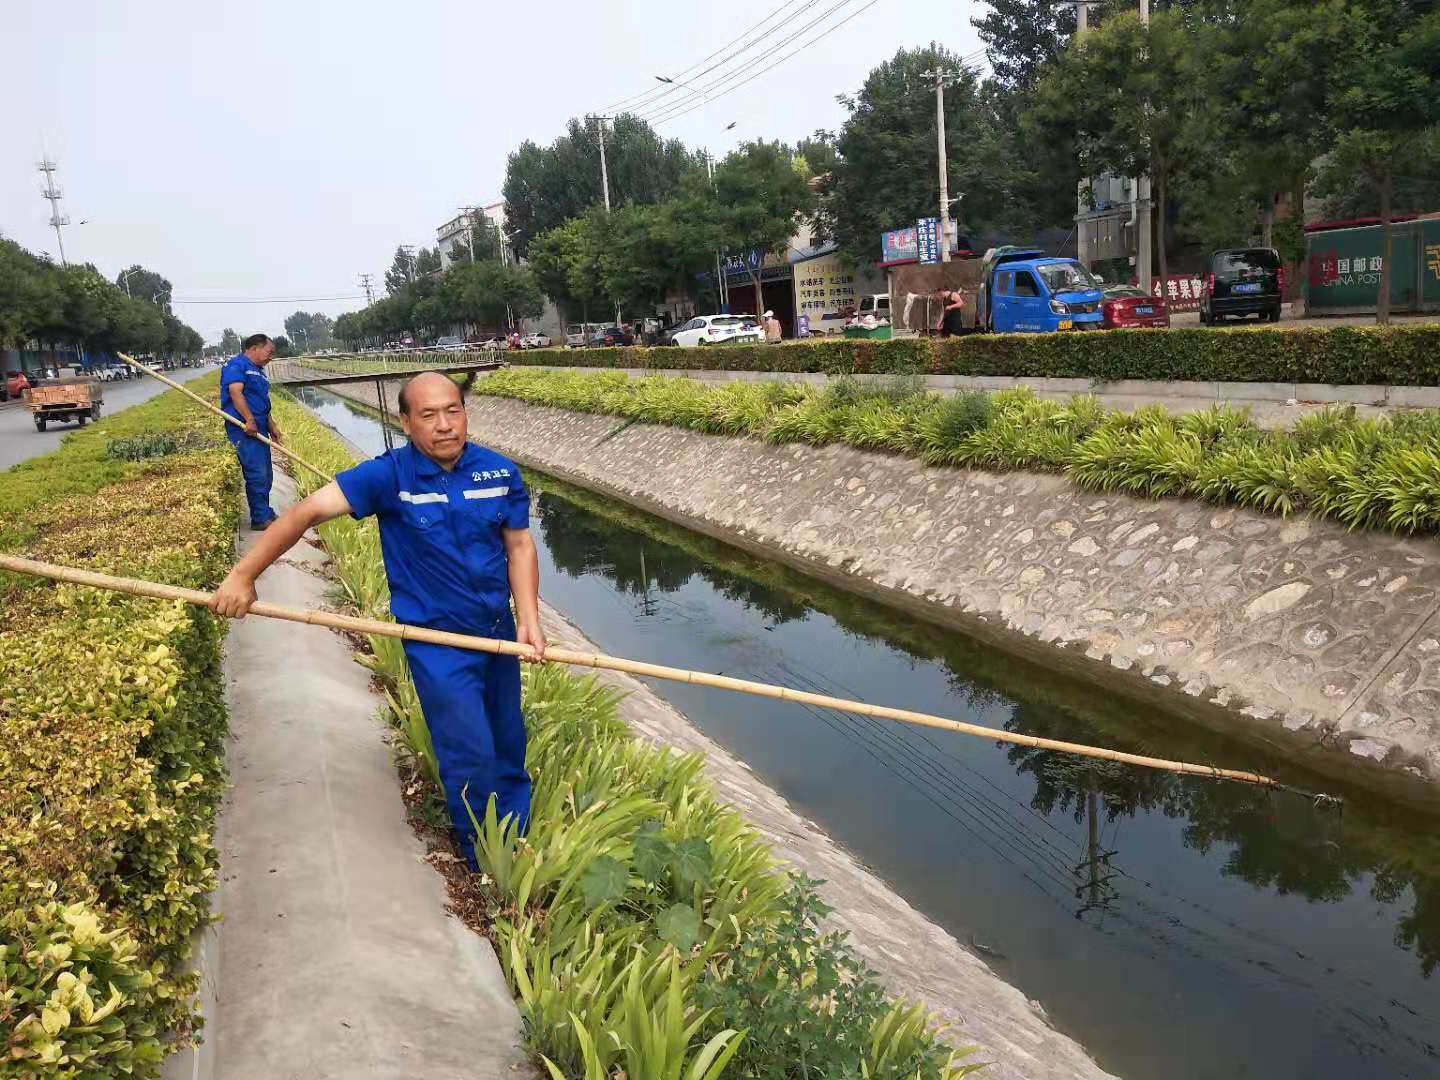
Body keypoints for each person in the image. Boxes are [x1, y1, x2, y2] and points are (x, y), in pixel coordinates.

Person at [210, 371, 546, 868]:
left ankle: (514, 838)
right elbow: (303, 514)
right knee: (469, 749)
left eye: (453, 410)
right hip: (437, 641)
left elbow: (518, 546)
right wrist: (243, 575)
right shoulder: (387, 476)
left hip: (496, 632)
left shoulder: (497, 473)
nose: (445, 425)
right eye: (428, 415)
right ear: (406, 422)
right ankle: (485, 857)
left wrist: (530, 618)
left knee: (507, 740)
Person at [220, 334, 284, 530]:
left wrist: (272, 426)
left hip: (260, 428)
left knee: (266, 473)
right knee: (256, 473)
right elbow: (235, 392)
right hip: (244, 430)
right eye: (269, 352)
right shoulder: (236, 365)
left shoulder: (259, 371)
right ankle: (259, 518)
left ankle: (264, 511)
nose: (270, 357)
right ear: (255, 348)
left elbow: (263, 402)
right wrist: (249, 420)